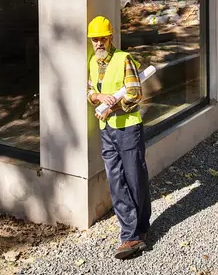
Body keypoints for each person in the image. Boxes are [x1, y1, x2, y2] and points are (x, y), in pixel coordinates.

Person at [87, 16, 151, 259]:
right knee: (115, 180)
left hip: (128, 129)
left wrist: (113, 106)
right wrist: (98, 99)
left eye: (102, 38)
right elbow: (90, 89)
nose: (99, 43)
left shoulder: (123, 60)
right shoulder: (93, 61)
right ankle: (130, 234)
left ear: (110, 37)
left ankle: (139, 229)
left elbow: (135, 94)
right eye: (95, 39)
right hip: (107, 130)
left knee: (135, 179)